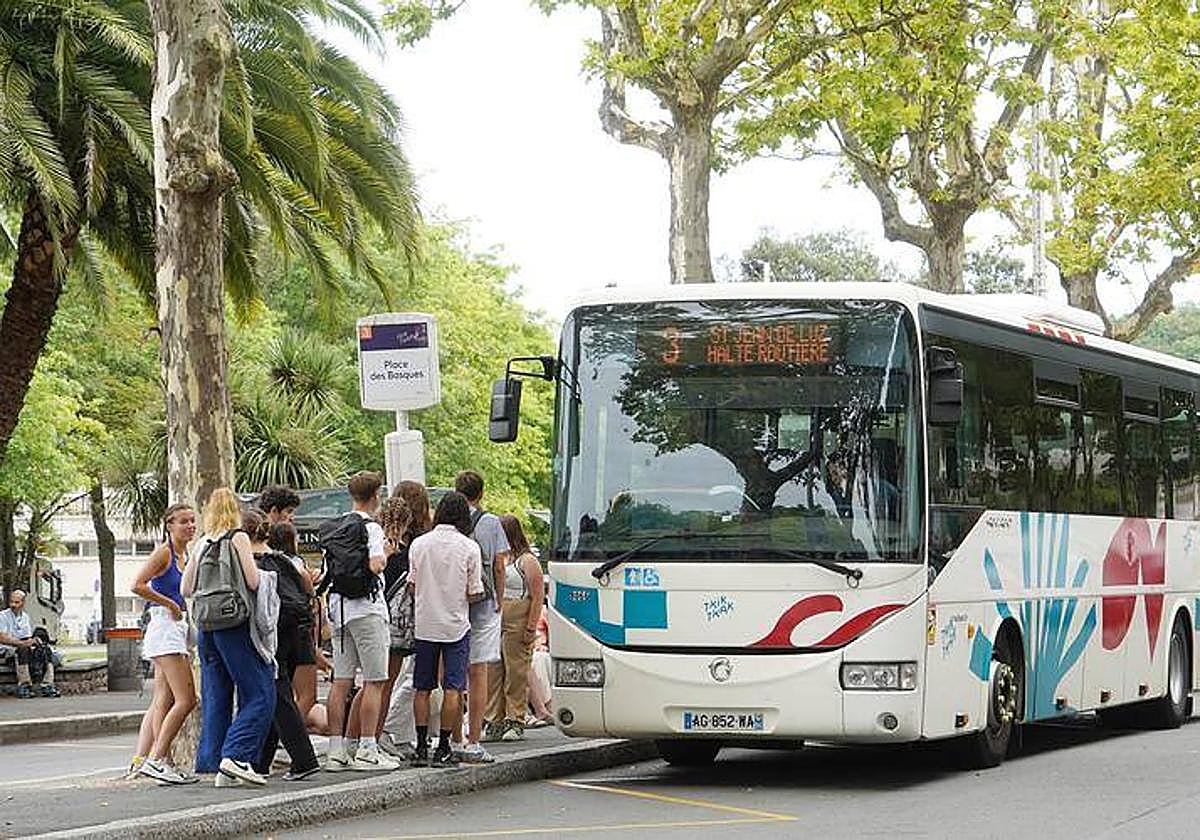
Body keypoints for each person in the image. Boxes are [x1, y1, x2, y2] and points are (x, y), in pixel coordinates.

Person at [182, 487, 276, 787]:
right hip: (235, 625)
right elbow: (251, 580)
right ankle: (236, 755)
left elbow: (186, 588)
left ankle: (213, 762)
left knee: (216, 695)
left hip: (206, 627)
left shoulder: (201, 543)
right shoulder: (239, 538)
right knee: (261, 691)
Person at [322, 471, 400, 772]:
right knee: (374, 681)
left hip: (339, 610)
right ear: (376, 496)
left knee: (341, 681)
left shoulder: (338, 526)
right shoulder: (371, 528)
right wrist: (388, 554)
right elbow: (375, 564)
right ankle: (368, 747)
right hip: (367, 610)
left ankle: (336, 750)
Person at [409, 491, 484, 767]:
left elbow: (412, 584)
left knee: (422, 687)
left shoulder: (419, 544)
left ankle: (419, 746)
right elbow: (474, 591)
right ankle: (443, 746)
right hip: (455, 624)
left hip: (425, 624)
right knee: (453, 687)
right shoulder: (469, 548)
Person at [127, 503, 199, 784]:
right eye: (183, 522)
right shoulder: (164, 552)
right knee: (187, 699)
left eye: (192, 521)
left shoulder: (185, 554)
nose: (190, 526)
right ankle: (157, 759)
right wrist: (170, 603)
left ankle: (151, 760)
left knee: (163, 700)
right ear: (169, 525)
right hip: (165, 628)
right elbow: (138, 585)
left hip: (177, 629)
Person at [250, 514, 321, 781]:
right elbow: (306, 586)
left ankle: (304, 759)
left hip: (274, 632)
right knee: (275, 693)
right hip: (298, 629)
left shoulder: (253, 562)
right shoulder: (285, 559)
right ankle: (261, 761)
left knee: (278, 693)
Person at [346, 493, 412, 757]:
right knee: (382, 683)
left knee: (368, 684)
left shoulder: (371, 542)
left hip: (366, 613)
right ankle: (369, 738)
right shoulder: (396, 550)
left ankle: (351, 737)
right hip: (390, 621)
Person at [455, 470, 509, 764]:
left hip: (454, 605)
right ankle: (473, 737)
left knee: (452, 674)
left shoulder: (447, 522)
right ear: (482, 493)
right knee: (478, 672)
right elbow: (499, 565)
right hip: (484, 604)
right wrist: (500, 598)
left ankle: (452, 737)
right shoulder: (490, 522)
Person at [380, 480, 433, 758]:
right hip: (410, 619)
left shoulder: (383, 538)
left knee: (385, 680)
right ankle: (387, 731)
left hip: (383, 614)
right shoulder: (418, 542)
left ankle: (386, 735)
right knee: (401, 679)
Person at [485, 516, 544, 742]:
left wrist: (531, 626)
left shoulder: (526, 560)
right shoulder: (500, 558)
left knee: (516, 671)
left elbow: (537, 595)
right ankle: (494, 719)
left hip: (518, 615)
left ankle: (515, 718)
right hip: (498, 617)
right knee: (494, 670)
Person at [0, 590, 59, 698]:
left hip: (22, 648)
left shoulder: (25, 617)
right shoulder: (2, 616)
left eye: (16, 602)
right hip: (6, 650)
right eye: (11, 602)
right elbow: (2, 638)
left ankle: (48, 685)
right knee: (22, 649)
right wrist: (23, 643)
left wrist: (33, 642)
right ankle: (24, 685)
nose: (13, 605)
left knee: (45, 649)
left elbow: (26, 637)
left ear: (23, 603)